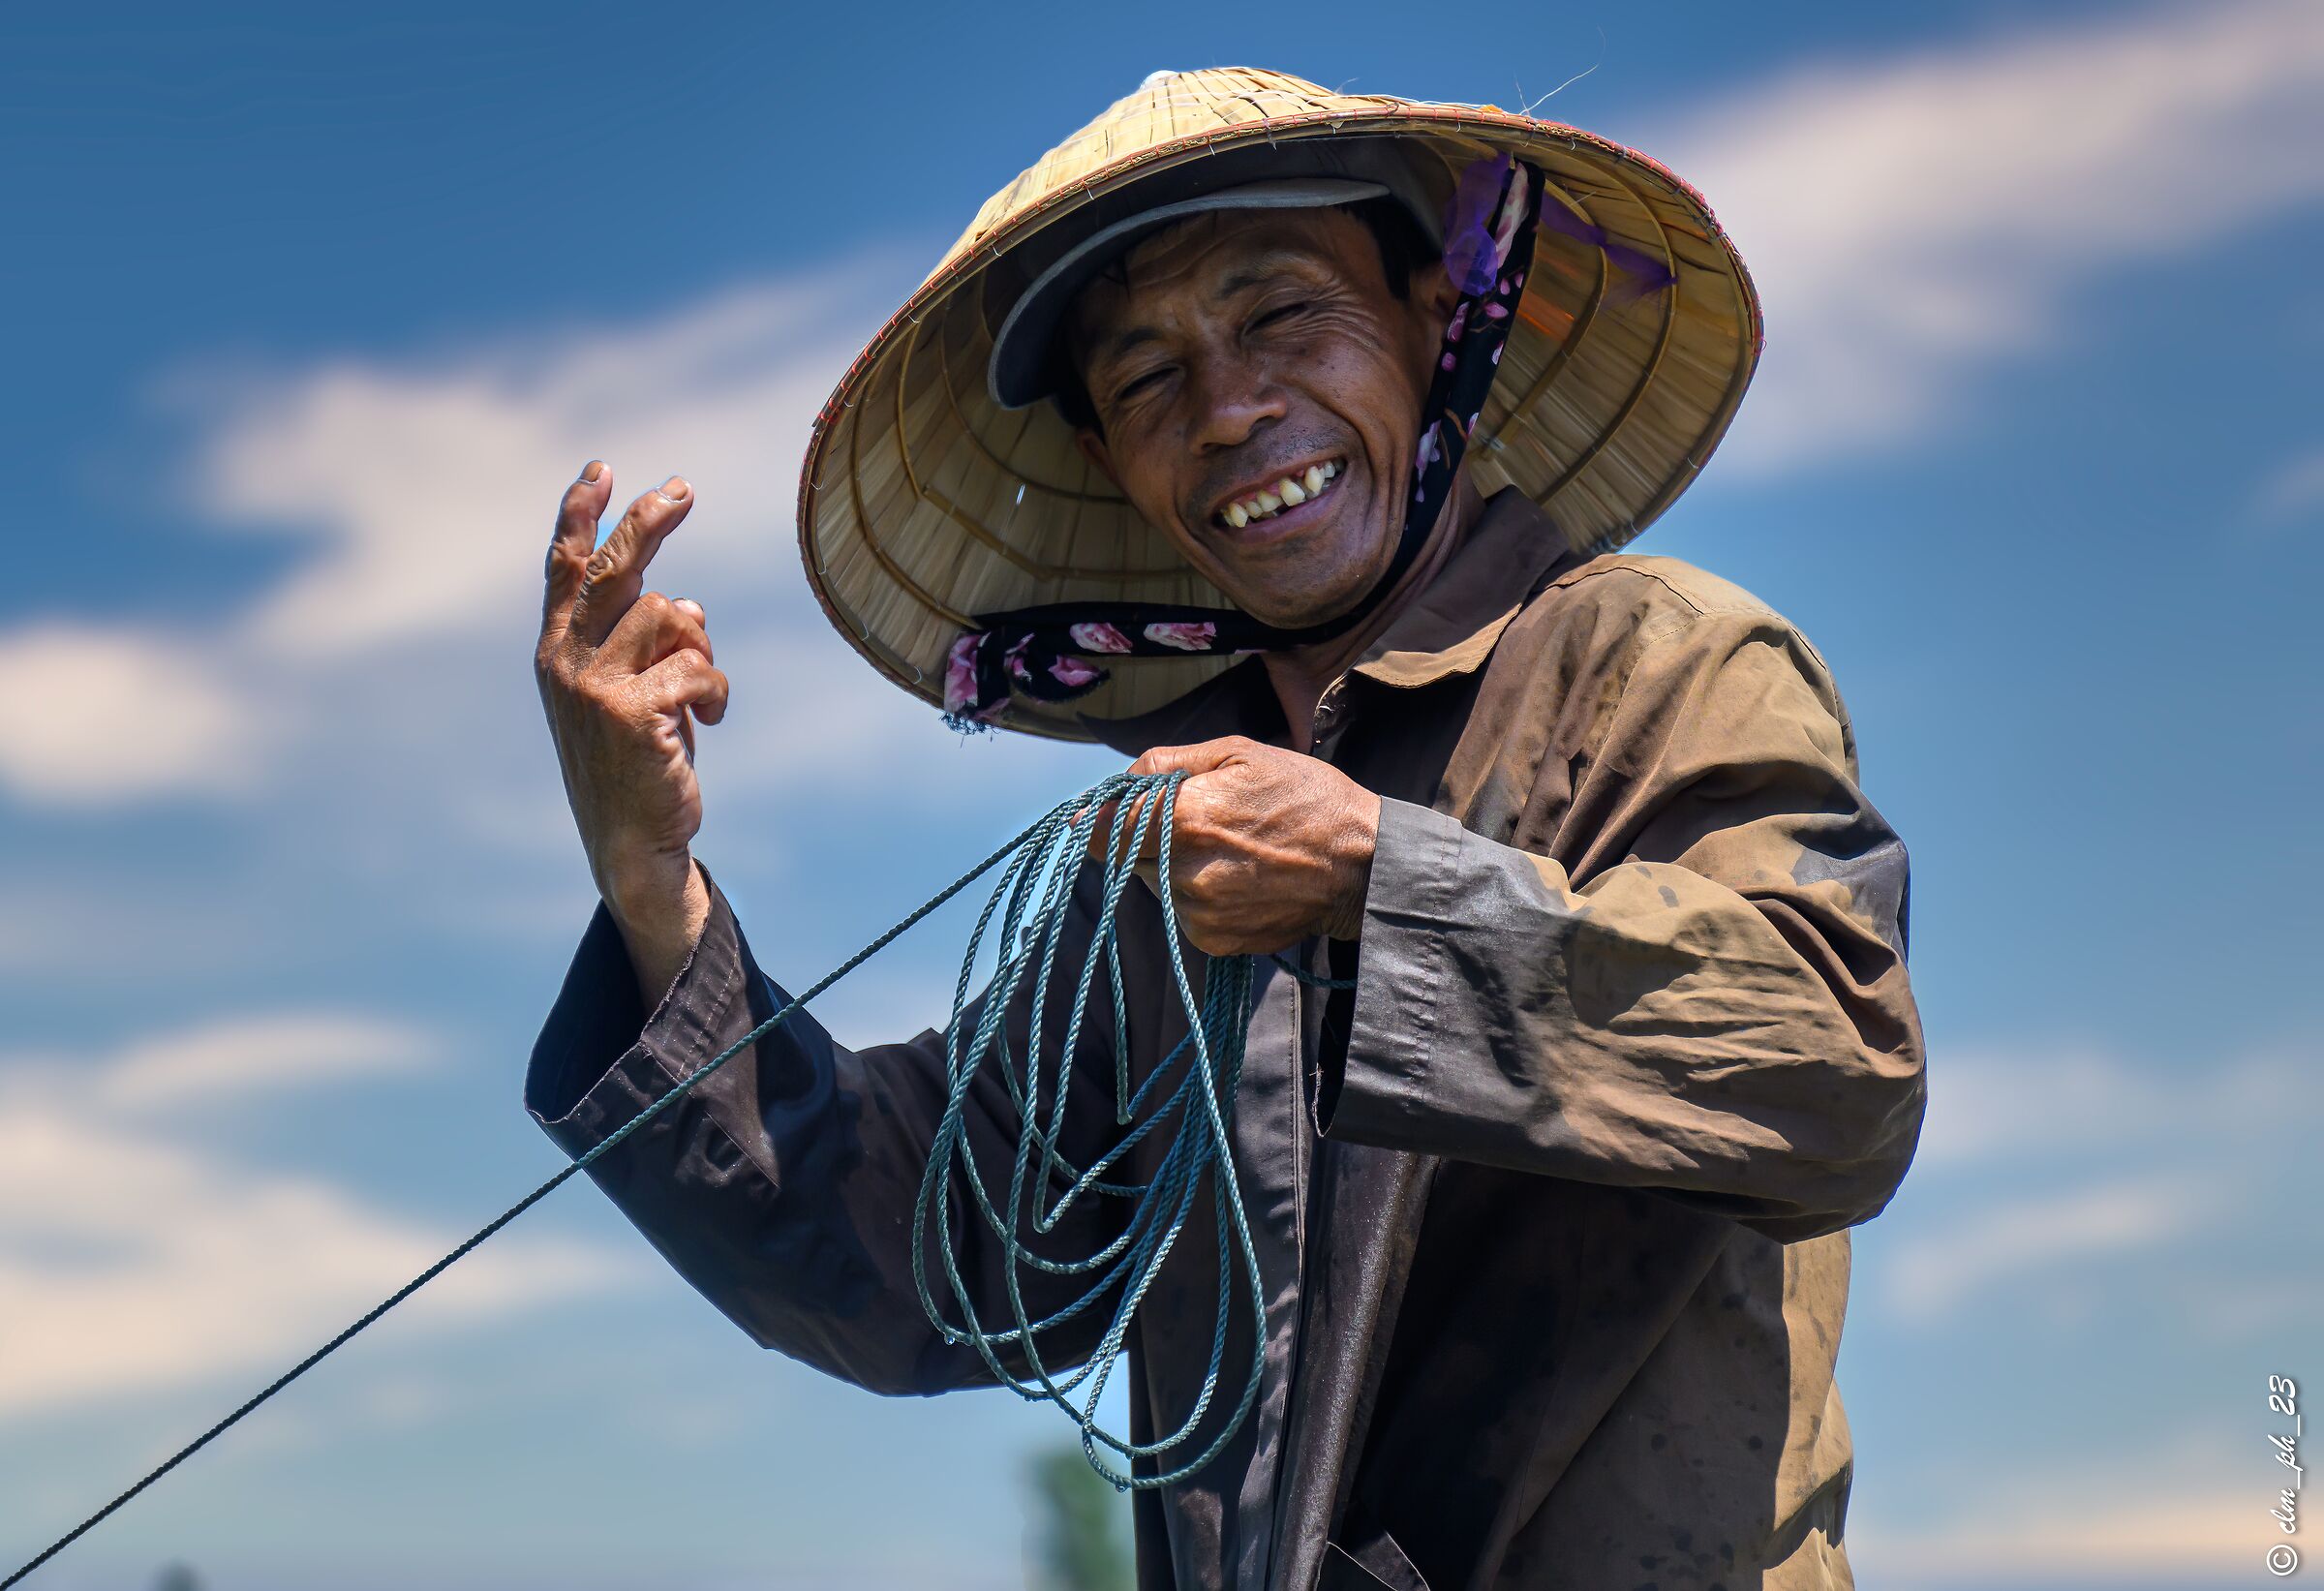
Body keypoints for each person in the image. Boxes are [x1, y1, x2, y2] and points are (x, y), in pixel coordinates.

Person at [525, 67, 1927, 1591]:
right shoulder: (1161, 846)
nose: (1231, 410)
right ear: (1115, 468)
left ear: (1426, 318)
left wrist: (1377, 884)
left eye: (1283, 317)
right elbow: (934, 1260)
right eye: (1144, 381)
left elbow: (1835, 1065)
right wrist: (650, 887)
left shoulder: (1662, 666)